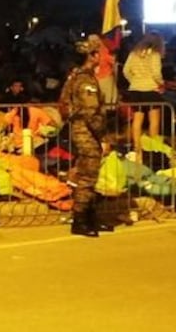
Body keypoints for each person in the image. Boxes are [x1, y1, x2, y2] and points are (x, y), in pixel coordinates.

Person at [58, 35, 110, 237]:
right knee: (88, 176)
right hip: (86, 133)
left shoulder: (76, 76)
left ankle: (90, 217)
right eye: (100, 53)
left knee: (90, 175)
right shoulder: (85, 80)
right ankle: (80, 220)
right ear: (93, 55)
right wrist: (103, 135)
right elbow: (91, 112)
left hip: (82, 130)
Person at [122, 32, 165, 158]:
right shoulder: (155, 55)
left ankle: (137, 148)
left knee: (137, 119)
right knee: (154, 121)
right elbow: (156, 73)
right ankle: (153, 148)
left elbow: (125, 71)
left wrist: (134, 81)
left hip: (135, 90)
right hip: (151, 89)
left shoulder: (133, 53)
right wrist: (161, 83)